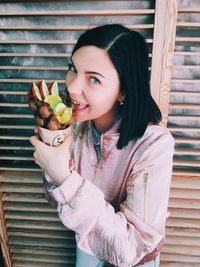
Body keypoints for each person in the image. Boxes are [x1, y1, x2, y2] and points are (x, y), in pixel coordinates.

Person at [30, 24, 174, 267]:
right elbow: (56, 201)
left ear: (124, 91)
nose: (72, 87)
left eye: (94, 79)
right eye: (72, 69)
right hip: (87, 238)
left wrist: (65, 177)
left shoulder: (155, 144)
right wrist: (52, 159)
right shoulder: (73, 129)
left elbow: (132, 247)